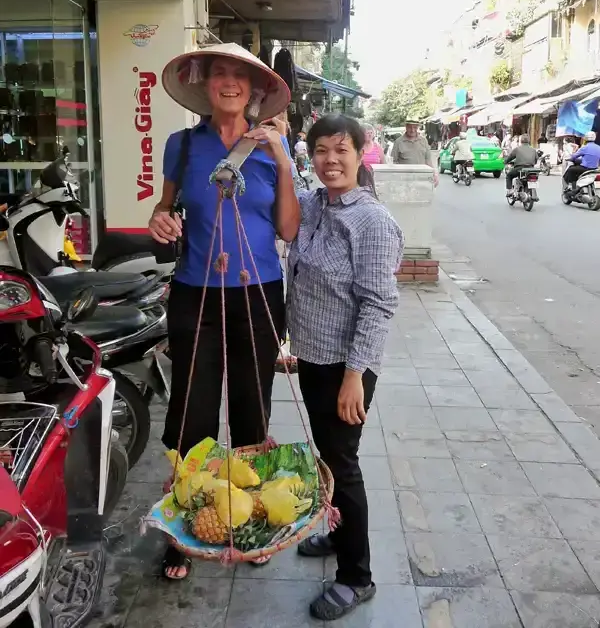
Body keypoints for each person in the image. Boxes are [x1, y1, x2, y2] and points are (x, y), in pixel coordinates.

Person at [150, 43, 300, 580]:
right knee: (192, 410)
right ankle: (186, 530)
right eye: (220, 73)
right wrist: (161, 220)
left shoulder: (274, 148)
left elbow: (288, 229)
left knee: (251, 409)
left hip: (259, 292)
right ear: (205, 84)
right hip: (196, 292)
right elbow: (164, 209)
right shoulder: (183, 145)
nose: (230, 83)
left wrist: (282, 157)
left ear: (257, 91)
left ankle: (253, 521)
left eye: (241, 76)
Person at [287, 115, 404, 621]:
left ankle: (357, 576)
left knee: (344, 464)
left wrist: (355, 374)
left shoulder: (374, 222)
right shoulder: (312, 204)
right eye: (320, 150)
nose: (330, 160)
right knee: (328, 456)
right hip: (312, 358)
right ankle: (336, 535)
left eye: (341, 150)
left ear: (361, 153)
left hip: (348, 367)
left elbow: (377, 305)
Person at [392, 120, 438, 185]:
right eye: (410, 127)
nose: (412, 130)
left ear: (417, 127)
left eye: (415, 127)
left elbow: (428, 160)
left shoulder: (423, 140)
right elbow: (393, 162)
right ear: (406, 127)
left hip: (422, 179)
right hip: (404, 180)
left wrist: (434, 174)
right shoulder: (398, 142)